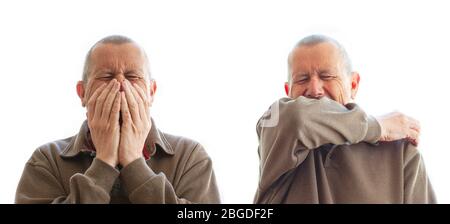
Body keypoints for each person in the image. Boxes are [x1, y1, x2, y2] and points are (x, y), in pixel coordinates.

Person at [16, 35, 220, 204]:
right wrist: (103, 162)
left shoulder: (189, 157)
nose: (121, 84)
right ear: (82, 93)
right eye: (106, 77)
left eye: (133, 77)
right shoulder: (47, 160)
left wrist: (134, 163)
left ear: (151, 92)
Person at [254, 34, 436, 203]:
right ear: (288, 92)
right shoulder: (277, 136)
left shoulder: (400, 155)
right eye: (302, 79)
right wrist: (377, 127)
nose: (315, 89)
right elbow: (296, 117)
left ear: (353, 84)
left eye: (327, 76)